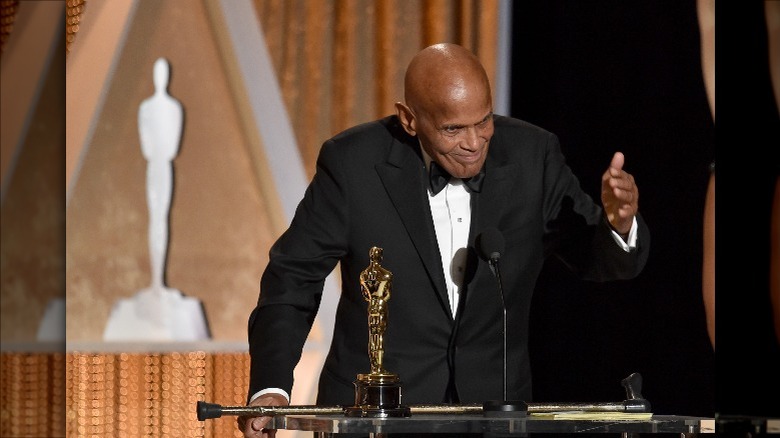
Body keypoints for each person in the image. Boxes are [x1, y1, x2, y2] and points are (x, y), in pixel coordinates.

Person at [239, 43, 650, 437]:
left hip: (493, 417)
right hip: (375, 415)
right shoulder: (353, 163)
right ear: (409, 118)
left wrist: (619, 225)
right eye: (453, 128)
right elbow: (293, 277)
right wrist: (270, 388)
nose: (473, 143)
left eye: (484, 121)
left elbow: (599, 260)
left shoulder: (533, 156)